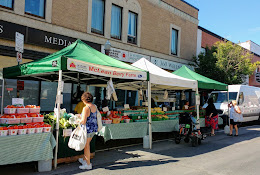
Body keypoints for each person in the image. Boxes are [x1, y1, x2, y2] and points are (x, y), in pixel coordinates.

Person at [78, 92, 98, 170]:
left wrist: (77, 120)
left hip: (88, 129)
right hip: (93, 128)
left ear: (84, 100)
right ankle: (84, 160)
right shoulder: (94, 106)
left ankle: (88, 164)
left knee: (86, 146)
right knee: (87, 145)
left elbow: (83, 121)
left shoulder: (86, 108)